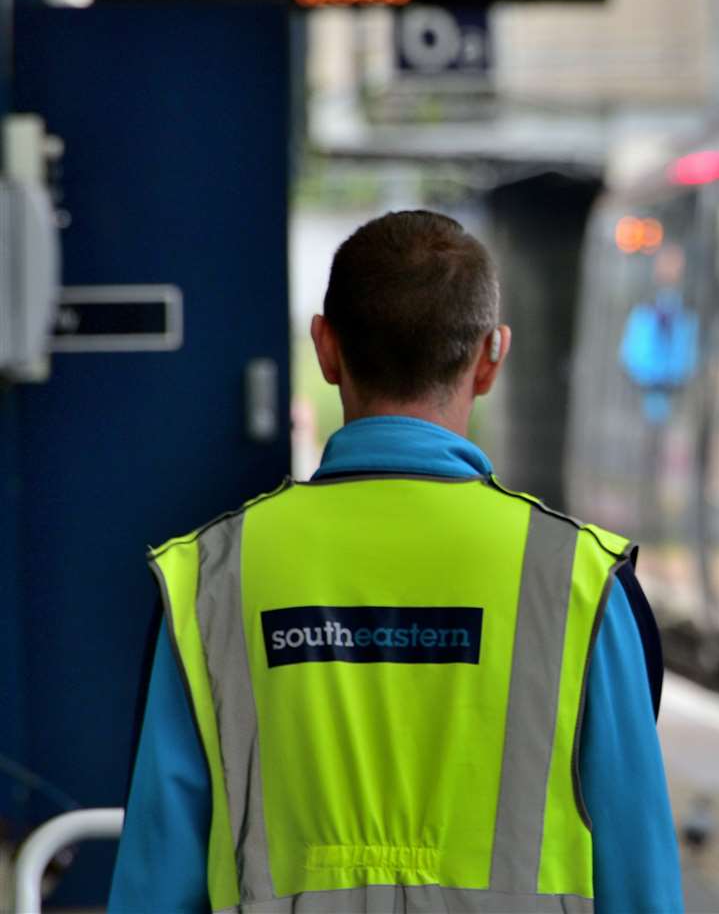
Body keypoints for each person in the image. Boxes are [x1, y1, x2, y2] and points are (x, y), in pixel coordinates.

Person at [110, 210, 683, 913]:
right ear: (489, 358)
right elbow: (640, 879)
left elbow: (157, 876)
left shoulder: (210, 579)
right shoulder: (581, 582)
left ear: (326, 347)